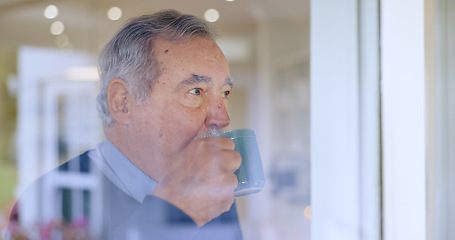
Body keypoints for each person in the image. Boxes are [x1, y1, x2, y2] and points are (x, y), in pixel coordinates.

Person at [6, 9, 243, 240]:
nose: (222, 119)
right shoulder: (51, 198)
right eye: (196, 91)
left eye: (225, 93)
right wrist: (174, 213)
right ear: (122, 102)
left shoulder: (214, 190)